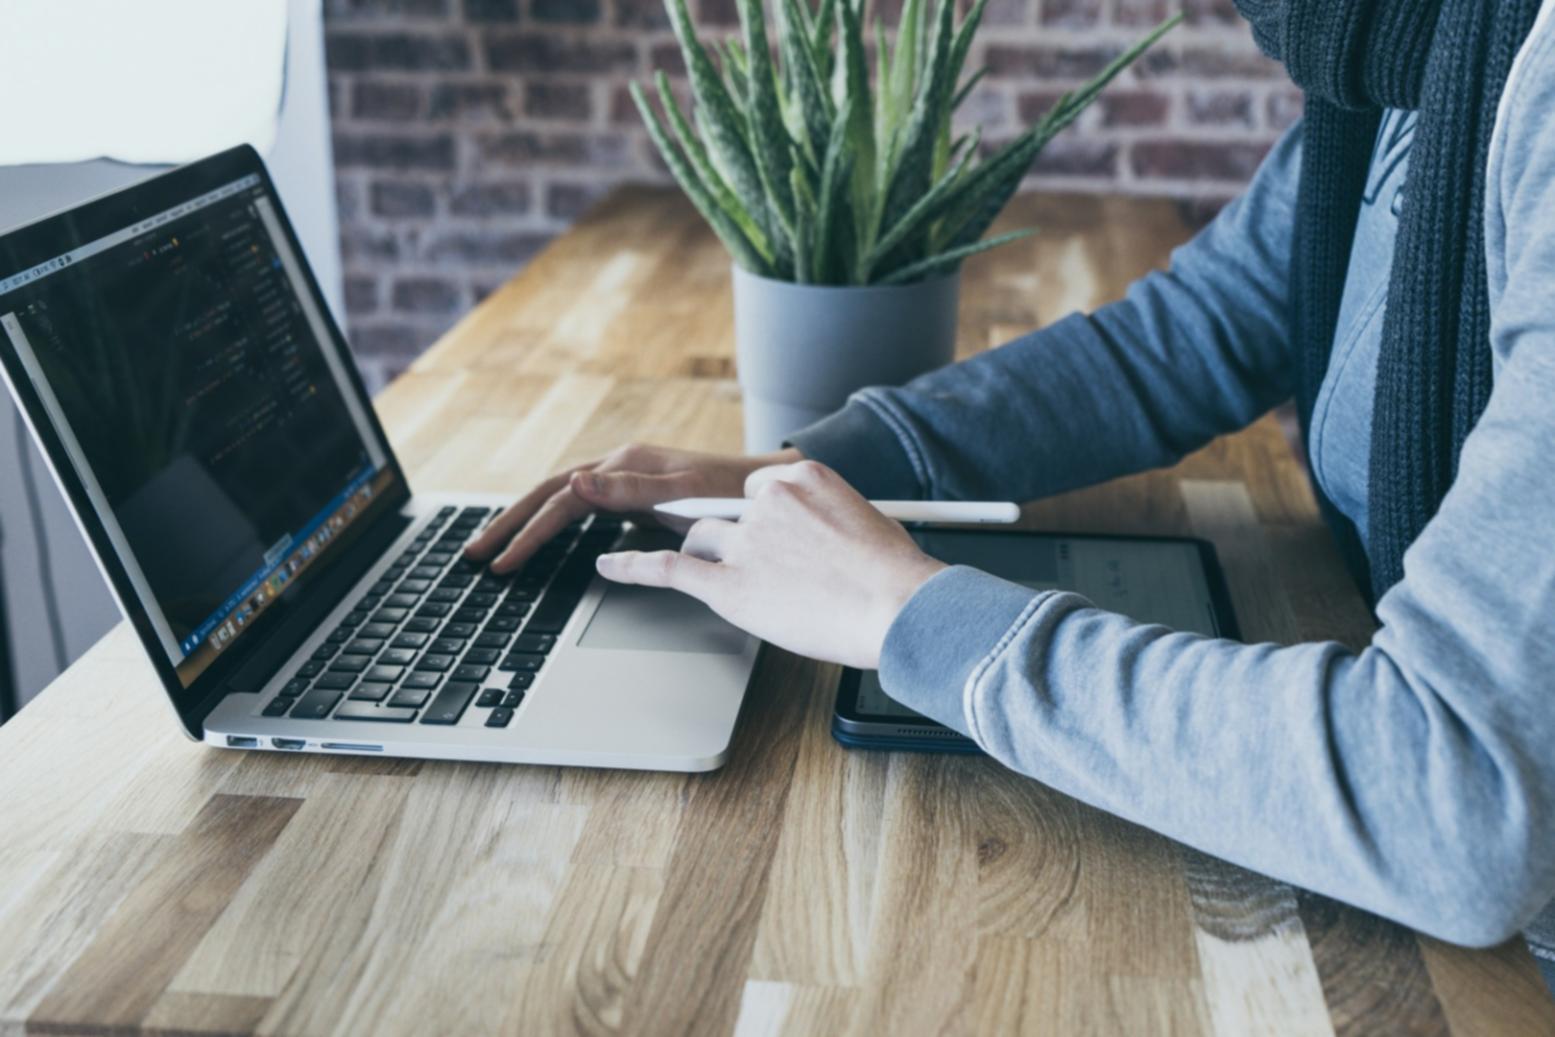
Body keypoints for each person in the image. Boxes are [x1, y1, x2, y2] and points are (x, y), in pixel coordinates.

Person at [468, 0, 1555, 956]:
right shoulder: (1404, 45)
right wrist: (811, 471)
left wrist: (903, 610)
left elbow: (1452, 803)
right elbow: (1197, 328)